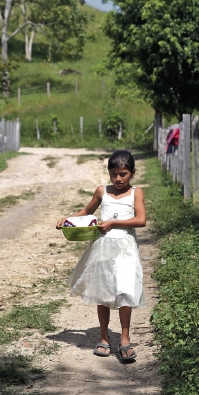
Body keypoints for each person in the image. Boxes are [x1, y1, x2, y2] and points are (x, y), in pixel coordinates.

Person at [55, 150, 146, 362]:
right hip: (103, 248)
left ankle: (125, 338)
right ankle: (104, 338)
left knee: (125, 290)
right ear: (108, 173)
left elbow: (141, 220)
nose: (118, 179)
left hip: (125, 248)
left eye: (123, 174)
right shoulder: (102, 191)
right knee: (103, 291)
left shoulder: (136, 193)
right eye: (114, 174)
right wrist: (67, 219)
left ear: (132, 173)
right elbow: (87, 211)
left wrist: (114, 223)